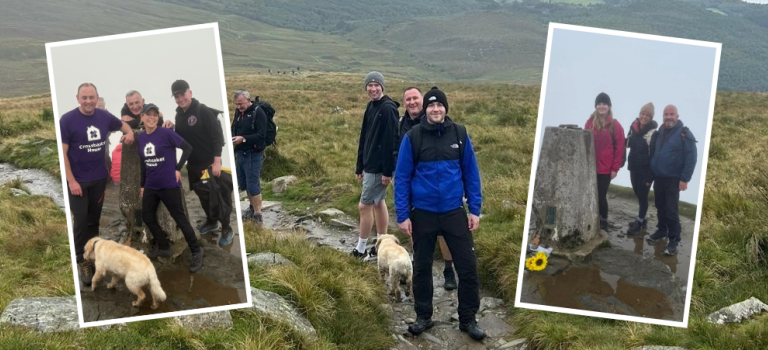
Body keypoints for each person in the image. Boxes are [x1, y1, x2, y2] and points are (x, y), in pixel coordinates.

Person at [395, 86, 486, 340]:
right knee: (422, 267)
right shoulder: (412, 137)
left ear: (446, 109)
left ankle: (468, 319)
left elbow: (471, 174)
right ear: (426, 109)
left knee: (467, 268)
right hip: (422, 213)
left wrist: (474, 209)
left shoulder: (459, 134)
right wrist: (402, 215)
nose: (436, 110)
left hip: (453, 211)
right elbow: (402, 178)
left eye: (440, 106)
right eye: (432, 106)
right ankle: (424, 316)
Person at [61, 83, 134, 287]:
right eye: (84, 98)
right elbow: (63, 153)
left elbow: (124, 126)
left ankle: (93, 254)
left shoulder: (104, 116)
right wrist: (72, 181)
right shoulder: (67, 120)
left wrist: (129, 133)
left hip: (99, 179)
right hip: (78, 182)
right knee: (81, 221)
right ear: (77, 99)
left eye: (91, 97)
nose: (88, 101)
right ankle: (82, 260)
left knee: (94, 220)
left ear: (97, 98)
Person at [397, 86, 457, 290]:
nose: (412, 102)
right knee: (416, 232)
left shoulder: (437, 120)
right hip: (414, 188)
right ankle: (421, 272)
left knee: (443, 235)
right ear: (404, 103)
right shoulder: (401, 124)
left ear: (423, 101)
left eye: (415, 98)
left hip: (439, 193)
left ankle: (449, 269)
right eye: (408, 99)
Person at [137, 103, 204, 272]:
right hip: (151, 186)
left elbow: (188, 148)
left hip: (169, 185)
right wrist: (142, 185)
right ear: (142, 117)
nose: (152, 117)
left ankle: (197, 251)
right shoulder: (141, 138)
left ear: (158, 117)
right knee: (147, 216)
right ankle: (164, 247)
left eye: (155, 114)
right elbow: (143, 163)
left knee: (180, 219)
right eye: (148, 114)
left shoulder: (166, 133)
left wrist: (177, 167)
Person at [170, 80, 232, 242]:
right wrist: (170, 128)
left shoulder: (202, 110)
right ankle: (211, 222)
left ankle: (226, 228)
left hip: (209, 164)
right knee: (203, 195)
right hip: (193, 164)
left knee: (216, 196)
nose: (180, 98)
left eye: (182, 94)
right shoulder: (179, 115)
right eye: (176, 96)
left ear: (190, 93)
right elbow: (181, 138)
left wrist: (217, 162)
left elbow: (217, 137)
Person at [352, 71, 399, 258]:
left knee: (364, 206)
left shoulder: (388, 109)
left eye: (376, 85)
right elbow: (364, 137)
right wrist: (359, 165)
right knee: (379, 202)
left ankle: (361, 249)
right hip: (369, 164)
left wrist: (387, 171)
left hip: (379, 167)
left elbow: (391, 142)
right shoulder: (371, 106)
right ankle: (381, 243)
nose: (372, 89)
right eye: (369, 86)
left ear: (382, 86)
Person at [646, 105, 697, 255]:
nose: (668, 117)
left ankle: (674, 239)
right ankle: (662, 230)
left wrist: (685, 179)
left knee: (671, 210)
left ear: (677, 116)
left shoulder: (684, 133)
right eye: (666, 114)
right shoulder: (660, 132)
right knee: (660, 206)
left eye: (671, 114)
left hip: (674, 179)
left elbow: (691, 157)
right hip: (659, 177)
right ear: (663, 116)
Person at [584, 92, 625, 231]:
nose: (602, 106)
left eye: (604, 104)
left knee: (601, 196)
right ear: (596, 106)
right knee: (591, 193)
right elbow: (585, 142)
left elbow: (620, 148)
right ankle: (592, 216)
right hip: (591, 167)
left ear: (609, 107)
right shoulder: (589, 123)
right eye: (599, 104)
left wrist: (615, 169)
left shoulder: (615, 125)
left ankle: (603, 220)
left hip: (606, 168)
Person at [231, 89, 268, 225]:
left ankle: (258, 215)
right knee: (244, 183)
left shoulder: (258, 112)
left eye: (241, 103)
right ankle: (252, 209)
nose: (239, 107)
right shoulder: (238, 112)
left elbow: (261, 135)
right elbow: (234, 127)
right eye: (236, 104)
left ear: (248, 100)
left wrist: (244, 139)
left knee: (253, 184)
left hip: (253, 153)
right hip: (240, 153)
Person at [626, 103, 658, 235]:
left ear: (651, 118)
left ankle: (639, 222)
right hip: (633, 167)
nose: (644, 117)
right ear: (640, 114)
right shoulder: (633, 126)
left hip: (645, 171)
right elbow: (627, 143)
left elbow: (654, 156)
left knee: (643, 197)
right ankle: (643, 218)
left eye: (648, 115)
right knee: (638, 193)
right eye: (643, 114)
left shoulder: (653, 133)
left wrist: (649, 176)